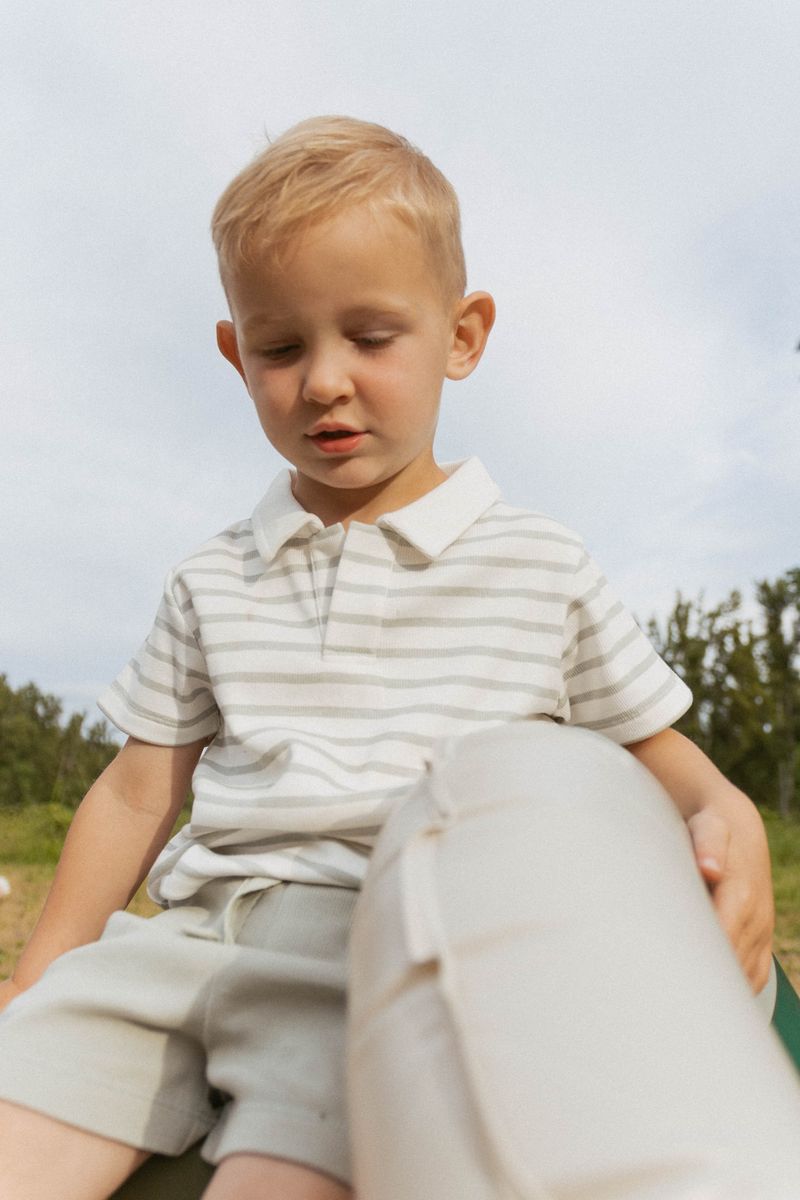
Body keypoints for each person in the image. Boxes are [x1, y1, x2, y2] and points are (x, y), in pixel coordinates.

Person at [0, 116, 799, 1200]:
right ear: (236, 355)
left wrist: (727, 811)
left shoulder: (539, 564)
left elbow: (655, 752)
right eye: (281, 349)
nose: (324, 381)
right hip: (186, 943)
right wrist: (43, 968)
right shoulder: (214, 576)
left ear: (461, 337)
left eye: (371, 337)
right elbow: (141, 790)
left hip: (375, 955)